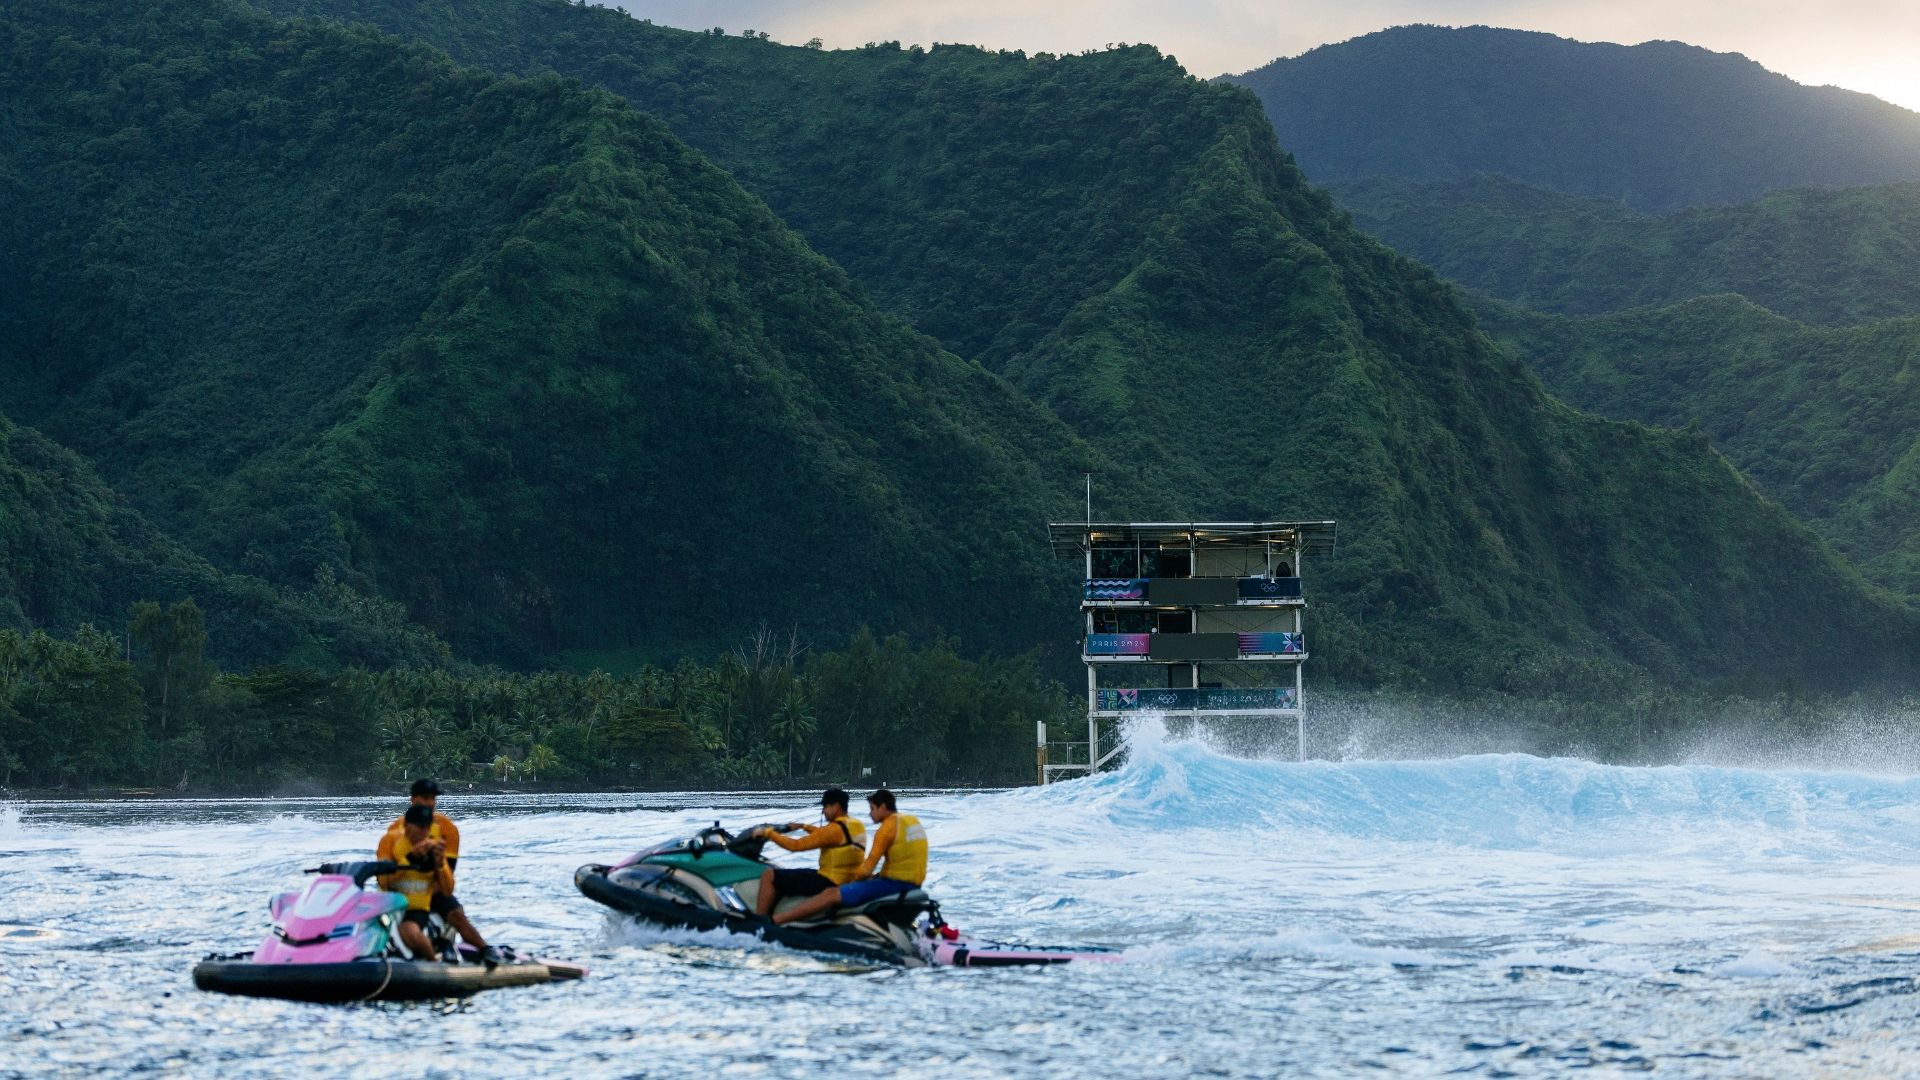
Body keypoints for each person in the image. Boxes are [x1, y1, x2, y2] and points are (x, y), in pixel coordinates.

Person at [377, 778, 499, 964]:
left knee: (456, 914)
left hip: (431, 887)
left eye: (432, 798)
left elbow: (448, 877)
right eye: (425, 798)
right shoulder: (394, 831)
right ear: (413, 799)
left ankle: (485, 949)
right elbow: (384, 875)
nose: (430, 803)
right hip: (400, 889)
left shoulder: (448, 829)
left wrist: (426, 887)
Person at [771, 788, 926, 925]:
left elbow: (867, 868)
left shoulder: (886, 829)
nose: (870, 813)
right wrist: (805, 827)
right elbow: (831, 835)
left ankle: (775, 921)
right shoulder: (910, 820)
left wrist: (854, 879)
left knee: (830, 894)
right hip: (913, 882)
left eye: (872, 808)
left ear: (883, 807)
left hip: (896, 884)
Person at [749, 788, 867, 918]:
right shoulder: (856, 824)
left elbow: (795, 846)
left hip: (828, 881)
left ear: (836, 806)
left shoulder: (833, 829)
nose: (823, 811)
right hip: (847, 880)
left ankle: (760, 920)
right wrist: (803, 826)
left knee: (769, 875)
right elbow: (827, 835)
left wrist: (769, 833)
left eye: (825, 806)